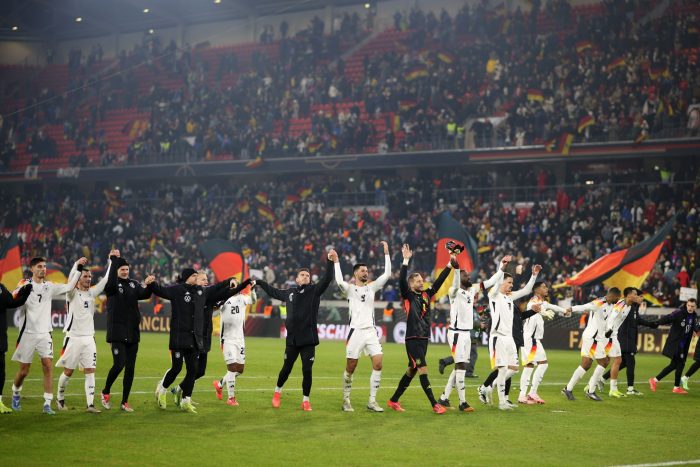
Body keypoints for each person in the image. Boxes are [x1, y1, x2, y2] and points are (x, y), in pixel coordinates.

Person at [152, 268, 250, 413]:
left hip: (201, 338)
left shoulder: (205, 294)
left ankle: (183, 394)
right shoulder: (182, 292)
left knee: (197, 370)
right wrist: (151, 283)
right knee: (178, 368)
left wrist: (239, 283)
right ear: (195, 280)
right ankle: (164, 389)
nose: (205, 281)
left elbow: (224, 290)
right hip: (183, 337)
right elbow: (161, 291)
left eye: (205, 279)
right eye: (201, 279)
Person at [256, 254, 334, 411]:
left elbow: (326, 279)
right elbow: (273, 292)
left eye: (307, 275)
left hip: (308, 339)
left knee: (307, 369)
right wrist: (259, 282)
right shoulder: (289, 292)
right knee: (286, 368)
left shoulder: (314, 291)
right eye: (302, 275)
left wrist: (330, 262)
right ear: (297, 279)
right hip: (292, 339)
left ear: (310, 280)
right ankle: (277, 392)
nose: (305, 277)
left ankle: (306, 400)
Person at [387, 244, 455, 414]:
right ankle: (434, 404)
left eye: (421, 280)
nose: (421, 282)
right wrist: (405, 260)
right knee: (423, 369)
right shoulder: (407, 295)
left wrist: (449, 264)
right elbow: (401, 280)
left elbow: (439, 282)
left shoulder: (426, 295)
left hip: (424, 338)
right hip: (412, 339)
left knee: (411, 370)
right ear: (411, 284)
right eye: (418, 281)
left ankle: (393, 400)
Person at [11, 256, 84, 414]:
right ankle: (16, 393)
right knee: (24, 371)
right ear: (32, 269)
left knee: (48, 366)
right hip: (27, 333)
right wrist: (20, 290)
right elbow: (13, 297)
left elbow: (70, 286)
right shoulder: (25, 284)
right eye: (39, 266)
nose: (43, 269)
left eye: (44, 266)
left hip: (45, 333)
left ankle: (47, 403)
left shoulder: (49, 286)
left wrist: (77, 267)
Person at [437, 261, 506, 412]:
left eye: (468, 275)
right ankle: (463, 402)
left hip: (466, 333)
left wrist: (501, 268)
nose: (469, 277)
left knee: (459, 367)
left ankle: (444, 398)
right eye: (466, 275)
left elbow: (490, 282)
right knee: (461, 366)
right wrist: (456, 269)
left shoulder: (471, 291)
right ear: (459, 278)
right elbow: (455, 282)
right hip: (456, 333)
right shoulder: (453, 291)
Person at [331, 241, 391, 413]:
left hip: (371, 331)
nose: (366, 272)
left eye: (367, 270)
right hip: (355, 332)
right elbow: (339, 281)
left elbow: (387, 274)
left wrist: (386, 253)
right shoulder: (350, 289)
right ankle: (346, 400)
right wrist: (336, 262)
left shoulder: (372, 288)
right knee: (351, 367)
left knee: (378, 363)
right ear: (356, 273)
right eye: (363, 271)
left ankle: (372, 401)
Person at [56, 255, 112, 413]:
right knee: (68, 371)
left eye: (89, 276)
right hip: (73, 337)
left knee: (90, 370)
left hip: (89, 338)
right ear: (78, 278)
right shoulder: (71, 293)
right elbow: (70, 281)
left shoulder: (91, 293)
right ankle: (60, 398)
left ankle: (90, 405)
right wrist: (76, 266)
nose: (88, 278)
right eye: (85, 276)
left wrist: (112, 262)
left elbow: (105, 281)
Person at [101, 251, 153, 413]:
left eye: (126, 269)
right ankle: (105, 391)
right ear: (116, 270)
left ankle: (125, 402)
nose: (125, 271)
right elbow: (109, 283)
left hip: (132, 332)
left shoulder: (133, 284)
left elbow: (144, 294)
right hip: (117, 331)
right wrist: (113, 260)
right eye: (122, 269)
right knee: (119, 364)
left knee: (130, 368)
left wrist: (149, 284)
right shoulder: (112, 286)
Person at [487, 264, 541, 411]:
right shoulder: (494, 295)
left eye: (512, 283)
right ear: (501, 283)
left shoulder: (510, 297)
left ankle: (489, 387)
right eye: (509, 282)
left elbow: (526, 290)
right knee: (503, 369)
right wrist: (501, 268)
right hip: (498, 337)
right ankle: (502, 402)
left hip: (509, 337)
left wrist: (534, 275)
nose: (511, 285)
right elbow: (496, 282)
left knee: (514, 369)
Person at [561, 287, 621, 401]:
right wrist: (571, 308)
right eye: (617, 298)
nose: (618, 300)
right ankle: (590, 391)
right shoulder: (599, 302)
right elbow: (585, 306)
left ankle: (569, 389)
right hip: (592, 338)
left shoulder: (611, 305)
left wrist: (608, 329)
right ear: (613, 296)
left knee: (588, 364)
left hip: (597, 338)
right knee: (602, 362)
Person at [518, 282, 570, 405]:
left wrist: (564, 310)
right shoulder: (533, 300)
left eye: (546, 286)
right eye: (544, 287)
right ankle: (528, 394)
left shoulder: (543, 302)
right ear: (536, 290)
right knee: (538, 364)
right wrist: (543, 312)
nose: (546, 288)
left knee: (532, 365)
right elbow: (534, 306)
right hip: (530, 339)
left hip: (533, 339)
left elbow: (552, 306)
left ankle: (528, 394)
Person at [601, 288, 656, 396]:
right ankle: (630, 389)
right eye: (639, 297)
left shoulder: (633, 307)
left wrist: (651, 324)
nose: (640, 299)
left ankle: (603, 378)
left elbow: (637, 320)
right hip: (624, 339)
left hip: (629, 339)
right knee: (630, 362)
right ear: (632, 296)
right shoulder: (627, 306)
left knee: (623, 363)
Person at [212, 280, 257, 406]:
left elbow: (253, 301)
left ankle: (219, 384)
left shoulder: (242, 298)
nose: (235, 286)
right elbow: (213, 313)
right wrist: (219, 302)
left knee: (239, 370)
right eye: (232, 285)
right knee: (232, 368)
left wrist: (252, 290)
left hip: (240, 339)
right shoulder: (223, 299)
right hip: (227, 339)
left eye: (236, 285)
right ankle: (231, 398)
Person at [649, 299, 698, 394]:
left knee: (680, 364)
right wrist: (657, 323)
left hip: (684, 345)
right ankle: (655, 380)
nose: (690, 308)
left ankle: (675, 387)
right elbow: (668, 318)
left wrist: (694, 330)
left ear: (695, 307)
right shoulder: (679, 312)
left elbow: (693, 326)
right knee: (676, 364)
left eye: (692, 306)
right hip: (676, 344)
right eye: (689, 305)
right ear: (686, 305)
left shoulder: (694, 315)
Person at [0, 282, 32, 413]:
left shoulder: (1, 288)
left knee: (0, 370)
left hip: (0, 336)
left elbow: (12, 303)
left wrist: (25, 292)